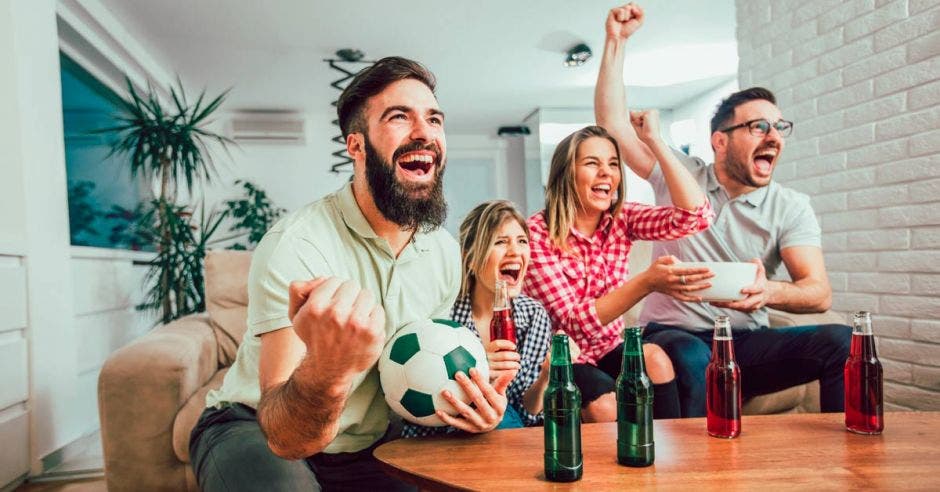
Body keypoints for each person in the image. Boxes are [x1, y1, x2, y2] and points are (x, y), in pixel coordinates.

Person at [188, 57, 513, 492]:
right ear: (356, 146)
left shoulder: (443, 252)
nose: (424, 132)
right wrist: (331, 366)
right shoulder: (297, 244)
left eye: (434, 119)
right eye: (399, 117)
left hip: (366, 444)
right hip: (256, 426)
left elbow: (418, 374)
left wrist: (469, 409)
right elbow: (287, 435)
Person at [596, 3, 852, 418]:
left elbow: (818, 291)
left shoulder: (790, 206)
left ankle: (849, 459)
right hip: (674, 334)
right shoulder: (682, 177)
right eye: (758, 127)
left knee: (842, 341)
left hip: (744, 341)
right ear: (719, 141)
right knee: (697, 362)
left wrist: (767, 292)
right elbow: (613, 125)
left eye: (779, 127)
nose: (774, 136)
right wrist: (615, 41)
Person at [524, 121, 714, 422]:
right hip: (561, 356)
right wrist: (647, 282)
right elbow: (574, 323)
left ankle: (673, 457)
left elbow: (696, 217)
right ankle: (628, 465)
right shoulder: (535, 235)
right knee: (605, 405)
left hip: (609, 346)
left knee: (657, 360)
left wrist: (656, 141)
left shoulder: (621, 219)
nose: (607, 173)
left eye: (613, 164)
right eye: (592, 163)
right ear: (566, 173)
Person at [404, 200, 555, 437]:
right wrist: (481, 370)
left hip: (509, 435)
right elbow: (428, 406)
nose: (515, 251)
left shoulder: (533, 315)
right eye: (501, 242)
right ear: (471, 257)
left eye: (522, 241)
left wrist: (547, 375)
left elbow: (527, 413)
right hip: (444, 432)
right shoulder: (444, 313)